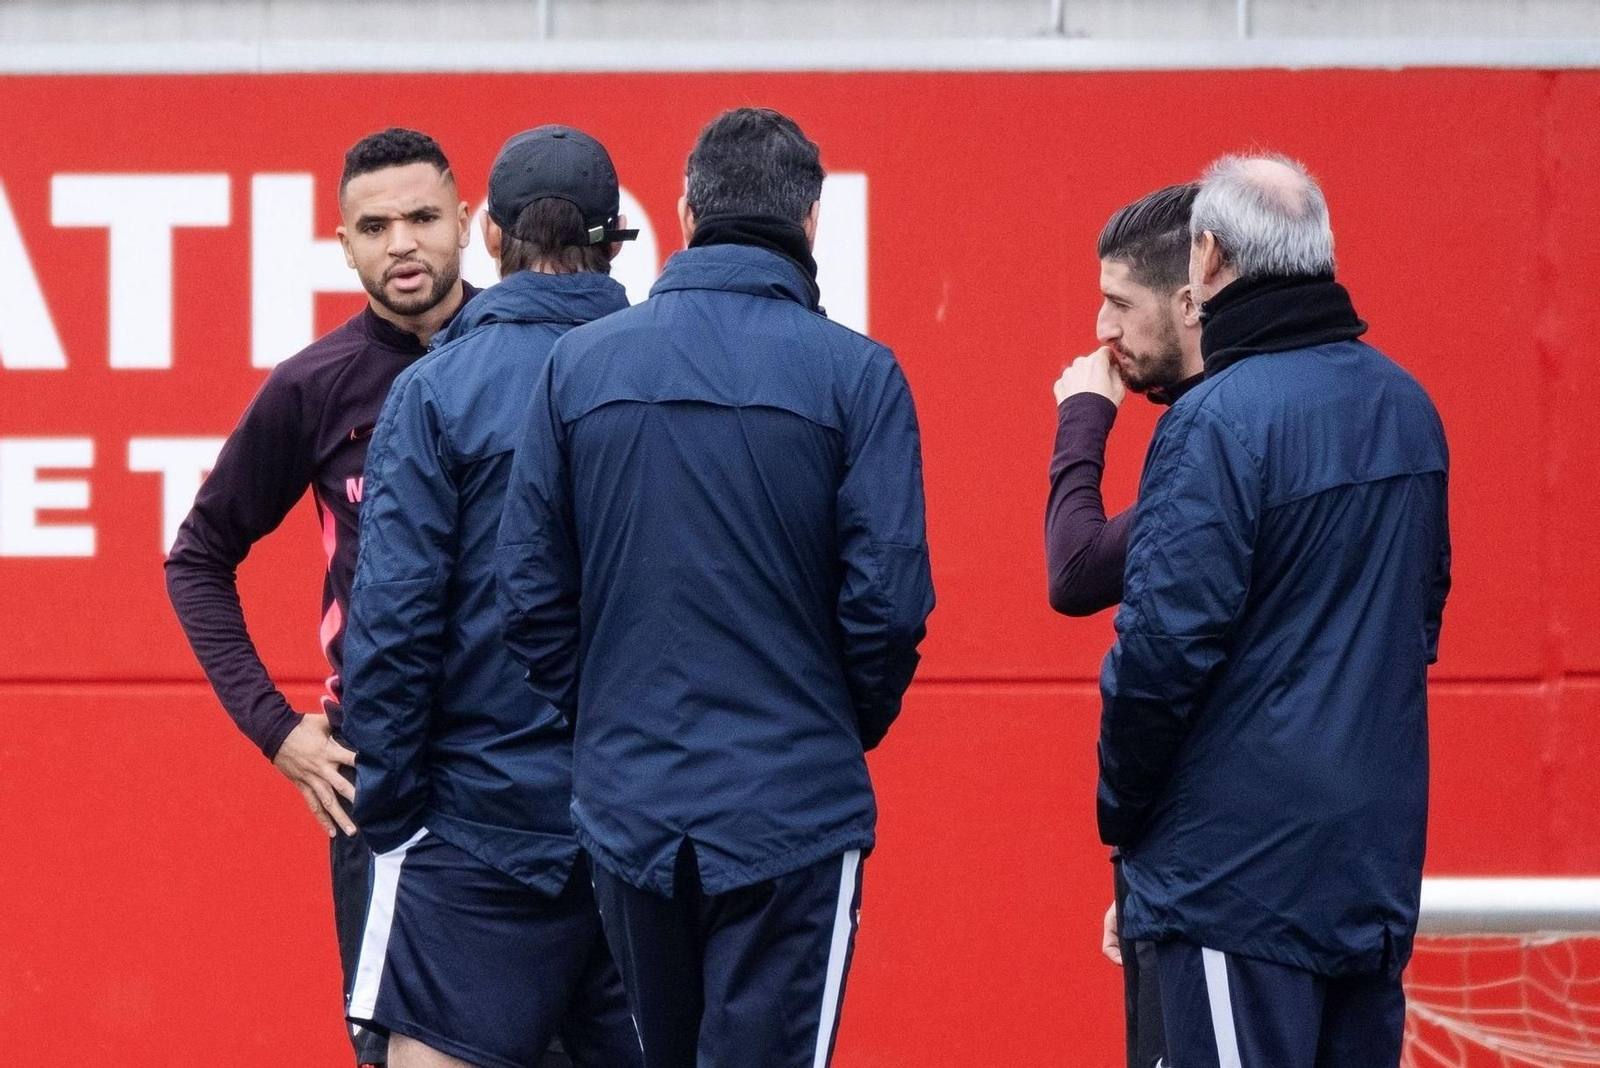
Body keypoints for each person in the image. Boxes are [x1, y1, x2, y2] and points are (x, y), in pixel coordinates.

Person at [496, 107, 935, 1068]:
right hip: (792, 805)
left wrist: (604, 712)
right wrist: (829, 719)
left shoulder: (580, 366)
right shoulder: (858, 376)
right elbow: (890, 604)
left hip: (628, 802)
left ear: (687, 210)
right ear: (811, 222)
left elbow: (528, 591)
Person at [1097, 153, 1451, 1068]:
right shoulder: (1408, 408)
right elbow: (1420, 625)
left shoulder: (1215, 421)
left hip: (1230, 888)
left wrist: (1127, 826)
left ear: (1206, 257)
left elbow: (1160, 659)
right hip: (1368, 877)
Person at [165, 127, 475, 1068]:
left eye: (423, 218)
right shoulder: (312, 386)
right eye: (375, 227)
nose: (403, 244)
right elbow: (198, 557)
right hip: (385, 787)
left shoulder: (542, 360)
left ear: (470, 224)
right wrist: (278, 729)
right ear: (343, 245)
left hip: (537, 775)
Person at [339, 125, 642, 1068]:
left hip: (478, 838)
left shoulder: (437, 392)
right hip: (649, 828)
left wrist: (387, 816)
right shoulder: (670, 378)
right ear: (619, 241)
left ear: (492, 241)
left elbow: (391, 632)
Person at [1046, 182, 1202, 1068]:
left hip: (1217, 879)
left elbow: (1075, 574)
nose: (1102, 329)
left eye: (1118, 304)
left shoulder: (1217, 440)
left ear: (1190, 299)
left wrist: (1082, 419)